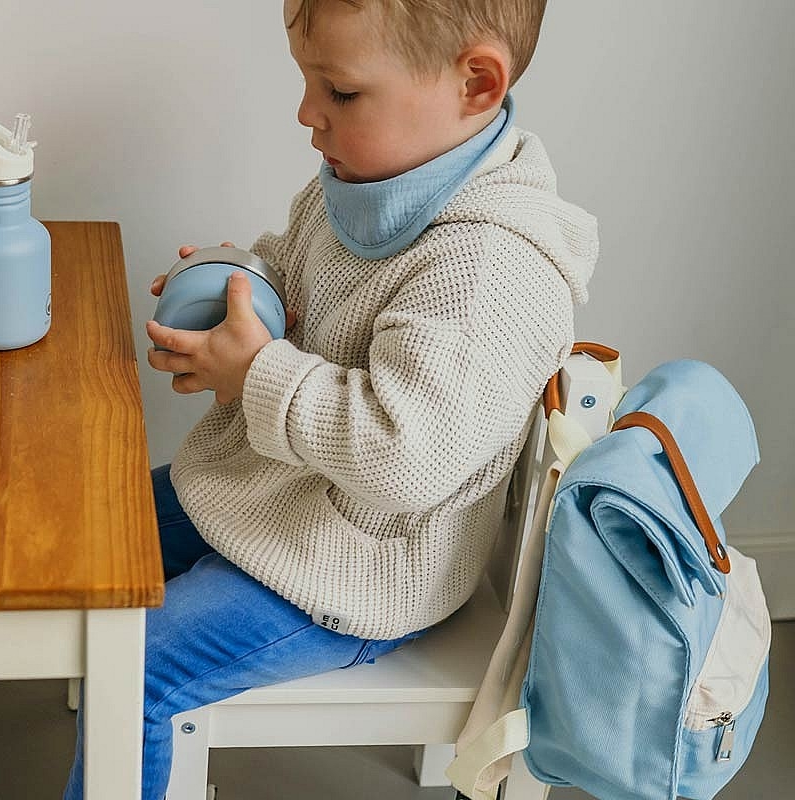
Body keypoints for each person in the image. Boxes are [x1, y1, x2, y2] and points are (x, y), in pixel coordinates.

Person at [64, 0, 598, 797]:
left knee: (136, 667)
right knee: (88, 536)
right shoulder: (370, 177)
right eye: (307, 81)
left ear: (477, 83)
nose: (307, 113)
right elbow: (300, 277)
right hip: (272, 496)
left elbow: (405, 457)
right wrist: (244, 285)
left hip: (354, 569)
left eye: (339, 92)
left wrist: (257, 376)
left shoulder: (489, 269)